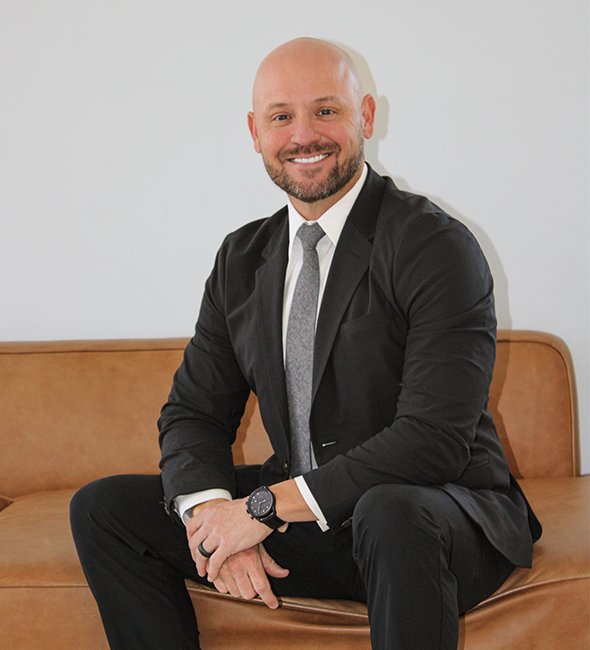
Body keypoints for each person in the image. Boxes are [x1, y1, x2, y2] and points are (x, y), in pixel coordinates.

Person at [70, 37, 541, 649]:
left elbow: (433, 440)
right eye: (281, 117)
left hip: (437, 519)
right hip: (310, 517)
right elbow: (193, 413)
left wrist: (261, 510)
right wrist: (215, 522)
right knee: (103, 508)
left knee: (390, 511)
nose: (303, 135)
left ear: (365, 116)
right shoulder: (242, 258)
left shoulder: (435, 245)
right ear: (255, 132)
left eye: (325, 110)